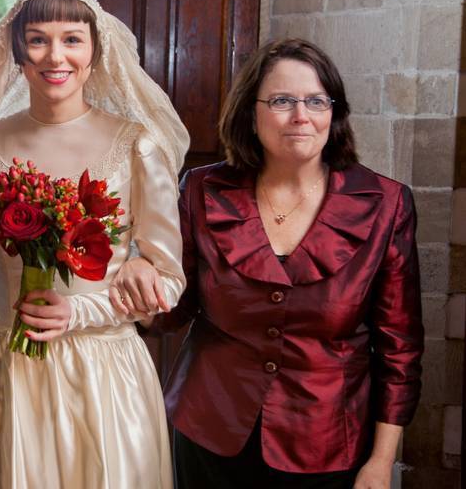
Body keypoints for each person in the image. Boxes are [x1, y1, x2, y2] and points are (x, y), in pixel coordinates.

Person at [142, 38, 423, 488]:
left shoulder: (387, 204)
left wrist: (381, 461)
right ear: (250, 114)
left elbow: (400, 349)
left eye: (316, 101)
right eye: (281, 101)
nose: (300, 116)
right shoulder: (200, 190)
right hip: (210, 430)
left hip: (327, 442)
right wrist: (134, 284)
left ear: (334, 113)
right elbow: (174, 307)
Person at [0, 0, 190, 488]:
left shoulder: (137, 145)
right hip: (11, 370)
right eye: (38, 40)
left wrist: (79, 310)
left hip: (105, 374)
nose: (55, 56)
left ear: (96, 50)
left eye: (72, 39)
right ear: (16, 51)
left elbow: (168, 283)